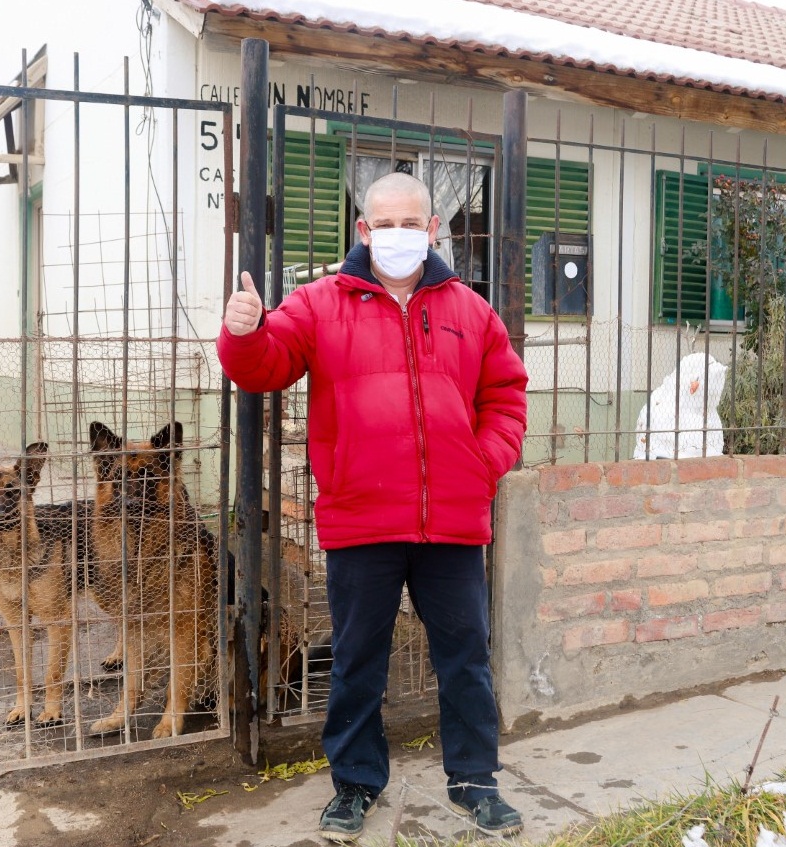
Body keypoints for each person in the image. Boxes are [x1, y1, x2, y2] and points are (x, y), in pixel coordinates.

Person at [216, 172, 528, 843]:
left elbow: (506, 395)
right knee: (358, 660)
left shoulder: (471, 311)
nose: (397, 235)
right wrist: (244, 332)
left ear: (432, 229)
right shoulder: (319, 303)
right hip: (361, 520)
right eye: (383, 225)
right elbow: (264, 365)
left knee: (465, 659)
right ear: (363, 230)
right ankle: (355, 783)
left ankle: (475, 780)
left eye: (409, 223)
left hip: (451, 523)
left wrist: (482, 463)